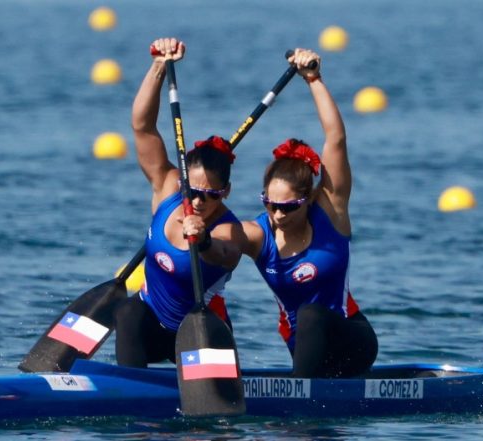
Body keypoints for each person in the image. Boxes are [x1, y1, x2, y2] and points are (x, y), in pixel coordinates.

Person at [241, 49, 377, 378]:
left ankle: (300, 392)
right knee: (306, 319)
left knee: (311, 314)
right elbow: (221, 239)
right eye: (269, 203)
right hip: (304, 350)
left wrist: (313, 79)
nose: (277, 214)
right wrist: (201, 232)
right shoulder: (258, 235)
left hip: (351, 339)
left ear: (306, 200)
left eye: (287, 207)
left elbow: (336, 139)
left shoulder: (331, 210)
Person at [114, 38, 246, 368]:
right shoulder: (166, 186)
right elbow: (142, 127)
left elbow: (224, 254)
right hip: (150, 326)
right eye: (192, 191)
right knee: (128, 311)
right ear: (182, 181)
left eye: (211, 195)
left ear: (226, 192)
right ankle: (129, 390)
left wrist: (203, 240)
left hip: (202, 332)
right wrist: (159, 66)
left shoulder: (230, 229)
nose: (199, 201)